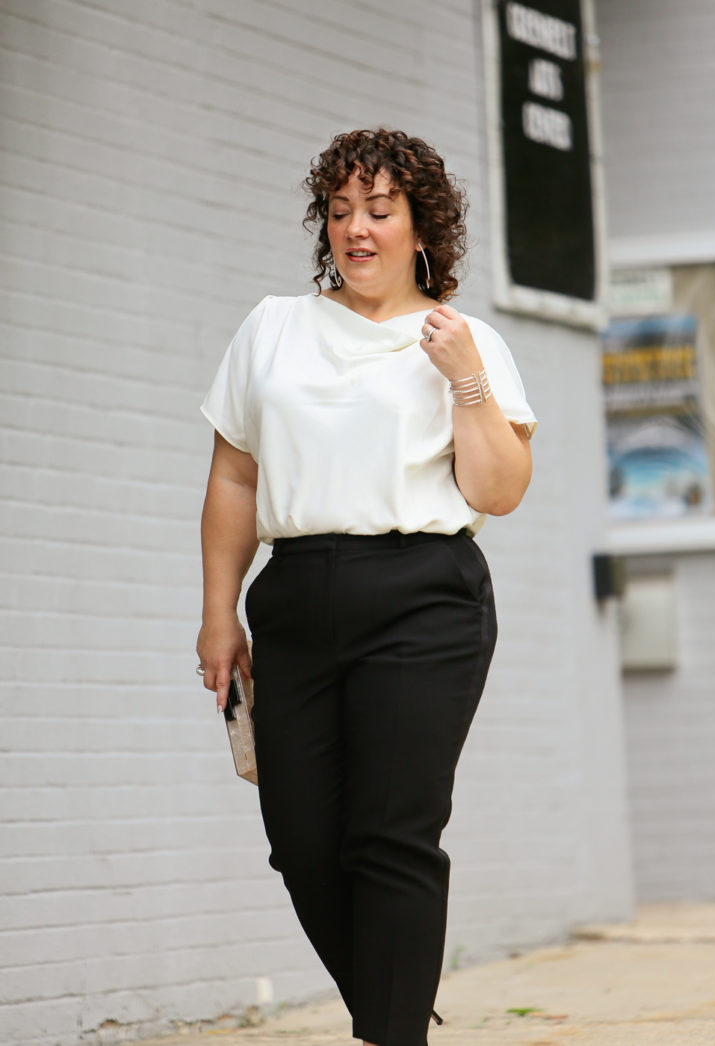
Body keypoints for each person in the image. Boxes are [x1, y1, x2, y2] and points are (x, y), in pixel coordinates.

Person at [196, 128, 537, 1046]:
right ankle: (394, 1001)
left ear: (421, 227)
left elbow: (497, 492)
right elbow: (233, 479)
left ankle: (390, 1034)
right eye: (341, 211)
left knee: (391, 833)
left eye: (379, 211)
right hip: (297, 594)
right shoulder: (273, 327)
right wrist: (218, 615)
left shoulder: (469, 342)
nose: (357, 229)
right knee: (302, 842)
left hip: (424, 595)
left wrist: (464, 380)